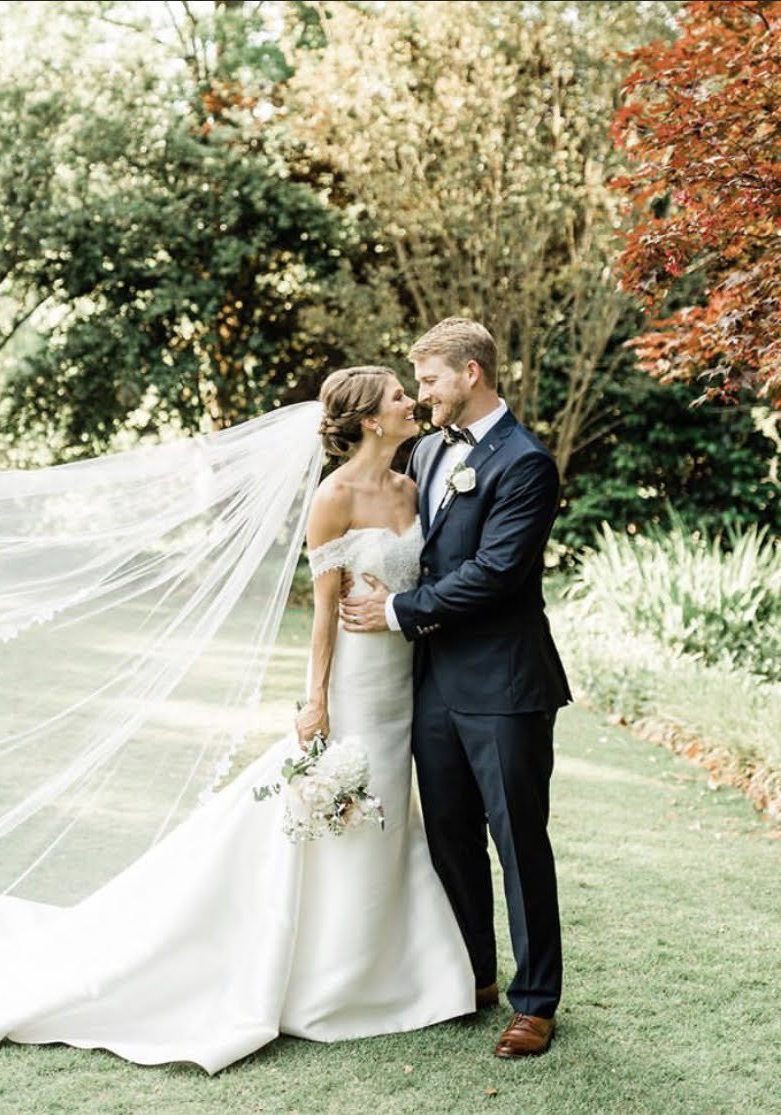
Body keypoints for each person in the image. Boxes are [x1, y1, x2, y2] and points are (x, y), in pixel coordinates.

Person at [0, 366, 476, 1071]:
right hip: (358, 683)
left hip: (407, 681)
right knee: (344, 813)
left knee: (390, 814)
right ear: (369, 418)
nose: (411, 402)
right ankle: (332, 980)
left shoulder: (413, 482)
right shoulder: (333, 499)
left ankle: (386, 967)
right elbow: (323, 612)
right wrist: (315, 700)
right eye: (399, 395)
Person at [340, 319, 571, 1058]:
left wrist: (399, 610)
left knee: (517, 840)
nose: (424, 393)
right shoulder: (431, 450)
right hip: (432, 682)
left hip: (504, 682)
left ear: (471, 373)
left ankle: (535, 1002)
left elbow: (498, 572)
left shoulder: (527, 462)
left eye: (431, 378)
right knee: (449, 836)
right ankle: (472, 973)